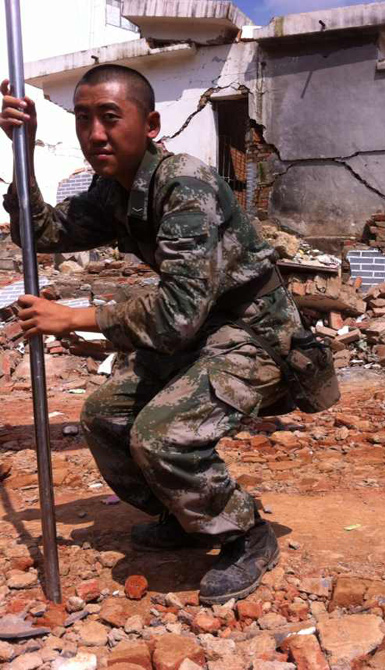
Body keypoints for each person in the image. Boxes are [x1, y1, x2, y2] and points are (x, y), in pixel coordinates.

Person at [0, 65, 303, 604]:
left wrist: (73, 317)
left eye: (111, 118)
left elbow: (176, 316)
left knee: (160, 435)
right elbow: (45, 232)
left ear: (151, 124)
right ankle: (183, 516)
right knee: (103, 416)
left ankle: (245, 534)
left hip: (253, 336)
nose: (95, 134)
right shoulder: (112, 189)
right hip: (202, 334)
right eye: (83, 119)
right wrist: (21, 157)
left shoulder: (185, 185)